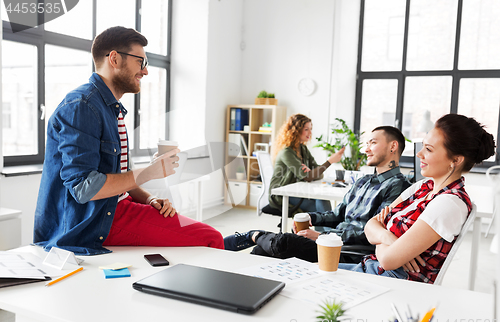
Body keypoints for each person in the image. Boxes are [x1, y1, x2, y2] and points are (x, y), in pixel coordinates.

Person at [34, 27, 223, 255]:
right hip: (93, 223)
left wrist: (150, 198)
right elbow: (84, 188)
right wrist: (151, 172)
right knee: (211, 238)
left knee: (201, 235)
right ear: (114, 58)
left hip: (113, 210)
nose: (145, 71)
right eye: (140, 61)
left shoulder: (110, 109)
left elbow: (118, 180)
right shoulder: (82, 107)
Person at [338, 114, 496, 284]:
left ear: (455, 160)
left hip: (390, 282)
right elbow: (370, 226)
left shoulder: (449, 204)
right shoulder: (423, 186)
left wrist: (382, 234)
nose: (419, 154)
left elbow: (388, 261)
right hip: (372, 269)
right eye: (422, 146)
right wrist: (389, 239)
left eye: (428, 149)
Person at [225, 126, 410, 263]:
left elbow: (372, 234)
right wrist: (312, 218)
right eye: (367, 144)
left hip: (347, 250)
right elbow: (338, 214)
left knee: (284, 242)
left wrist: (321, 236)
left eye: (373, 143)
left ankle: (254, 234)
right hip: (332, 240)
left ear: (393, 146)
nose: (366, 149)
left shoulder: (399, 187)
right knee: (264, 251)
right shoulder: (362, 182)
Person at [268, 114, 345, 213]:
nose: (310, 132)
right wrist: (329, 161)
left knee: (321, 198)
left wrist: (311, 173)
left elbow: (319, 173)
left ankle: (326, 227)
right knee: (316, 208)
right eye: (306, 129)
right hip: (281, 194)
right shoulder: (286, 152)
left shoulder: (303, 149)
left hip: (298, 190)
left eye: (310, 129)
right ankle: (326, 226)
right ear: (296, 130)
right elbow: (309, 176)